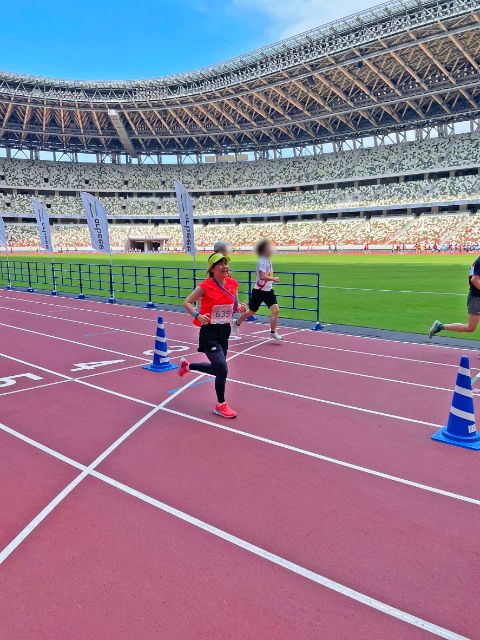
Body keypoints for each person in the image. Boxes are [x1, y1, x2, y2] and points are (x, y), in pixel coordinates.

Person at [180, 253, 247, 418]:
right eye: (220, 264)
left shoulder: (232, 284)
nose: (225, 267)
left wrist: (239, 308)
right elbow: (187, 302)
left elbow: (234, 306)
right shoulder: (205, 286)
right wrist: (198, 316)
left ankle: (187, 366)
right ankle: (221, 405)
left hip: (224, 331)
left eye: (226, 263)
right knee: (222, 368)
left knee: (219, 368)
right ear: (212, 268)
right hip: (209, 332)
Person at [235, 239, 282, 341]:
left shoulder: (267, 259)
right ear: (265, 250)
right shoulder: (262, 261)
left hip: (268, 290)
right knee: (251, 312)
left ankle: (273, 332)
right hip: (259, 291)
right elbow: (262, 276)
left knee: (275, 310)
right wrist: (274, 279)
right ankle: (236, 323)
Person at [429, 256, 480, 338]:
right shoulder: (479, 261)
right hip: (476, 299)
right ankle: (440, 326)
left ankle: (439, 326)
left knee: (470, 328)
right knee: (470, 327)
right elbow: (474, 280)